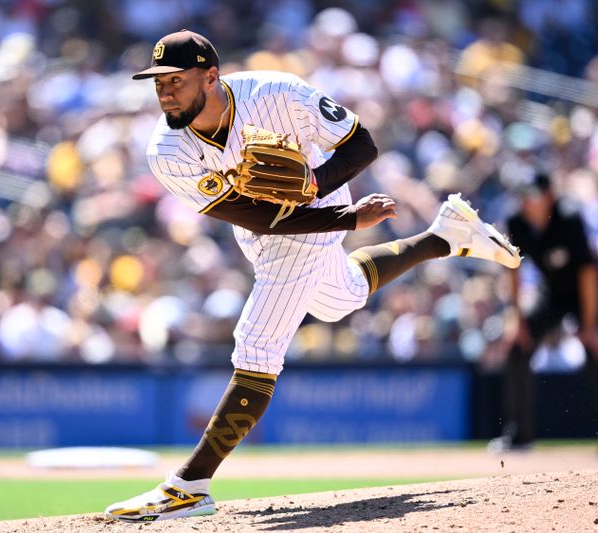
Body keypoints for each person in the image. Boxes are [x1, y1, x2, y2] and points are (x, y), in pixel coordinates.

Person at [105, 29, 521, 523]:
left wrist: (317, 187)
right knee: (337, 299)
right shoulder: (166, 151)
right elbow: (258, 219)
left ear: (211, 76)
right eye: (158, 83)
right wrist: (349, 222)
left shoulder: (275, 93)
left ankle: (189, 485)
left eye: (175, 80)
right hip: (263, 226)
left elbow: (362, 145)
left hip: (320, 199)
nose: (164, 92)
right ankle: (445, 237)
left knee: (257, 343)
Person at [488, 173, 598, 454]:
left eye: (534, 195)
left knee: (594, 352)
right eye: (524, 195)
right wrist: (516, 319)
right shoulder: (517, 222)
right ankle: (519, 436)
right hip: (553, 293)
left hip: (592, 292)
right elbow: (512, 268)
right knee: (519, 345)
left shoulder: (569, 218)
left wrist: (590, 325)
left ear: (549, 196)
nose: (528, 201)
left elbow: (588, 273)